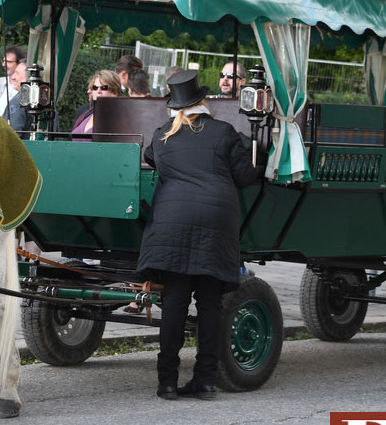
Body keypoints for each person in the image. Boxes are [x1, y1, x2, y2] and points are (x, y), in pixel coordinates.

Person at [138, 70, 261, 400]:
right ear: (203, 101)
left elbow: (149, 157)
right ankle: (205, 380)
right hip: (216, 223)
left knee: (175, 304)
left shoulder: (163, 135)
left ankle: (167, 382)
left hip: (173, 224)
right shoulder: (224, 132)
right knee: (210, 305)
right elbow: (245, 177)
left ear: (174, 106)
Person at [71, 70, 122, 136]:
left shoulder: (120, 118)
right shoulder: (85, 114)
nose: (98, 91)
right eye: (95, 87)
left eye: (103, 87)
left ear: (115, 92)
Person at [0, 46, 26, 115]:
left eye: (8, 62)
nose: (3, 64)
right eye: (3, 61)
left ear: (19, 63)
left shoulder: (25, 86)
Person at [3, 61, 31, 134]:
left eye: (17, 73)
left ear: (28, 76)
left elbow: (12, 135)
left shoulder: (19, 100)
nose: (13, 77)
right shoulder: (47, 100)